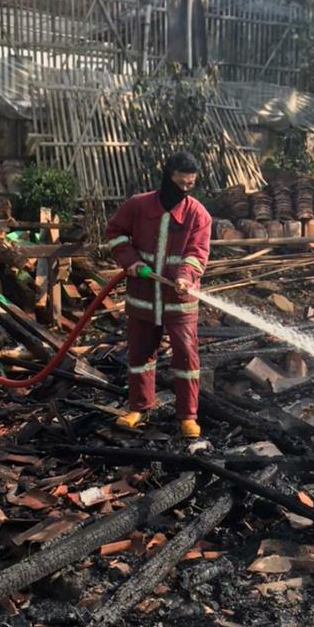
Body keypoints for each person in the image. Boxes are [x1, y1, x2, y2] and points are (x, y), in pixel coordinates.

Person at [105, 152, 212, 439]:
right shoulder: (137, 206)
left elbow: (198, 253)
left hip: (180, 300)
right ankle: (139, 408)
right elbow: (114, 233)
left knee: (186, 357)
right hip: (142, 297)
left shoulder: (198, 214)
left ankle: (187, 416)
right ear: (167, 177)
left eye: (190, 185)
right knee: (139, 353)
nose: (185, 190)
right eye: (180, 183)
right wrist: (131, 261)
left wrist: (184, 276)